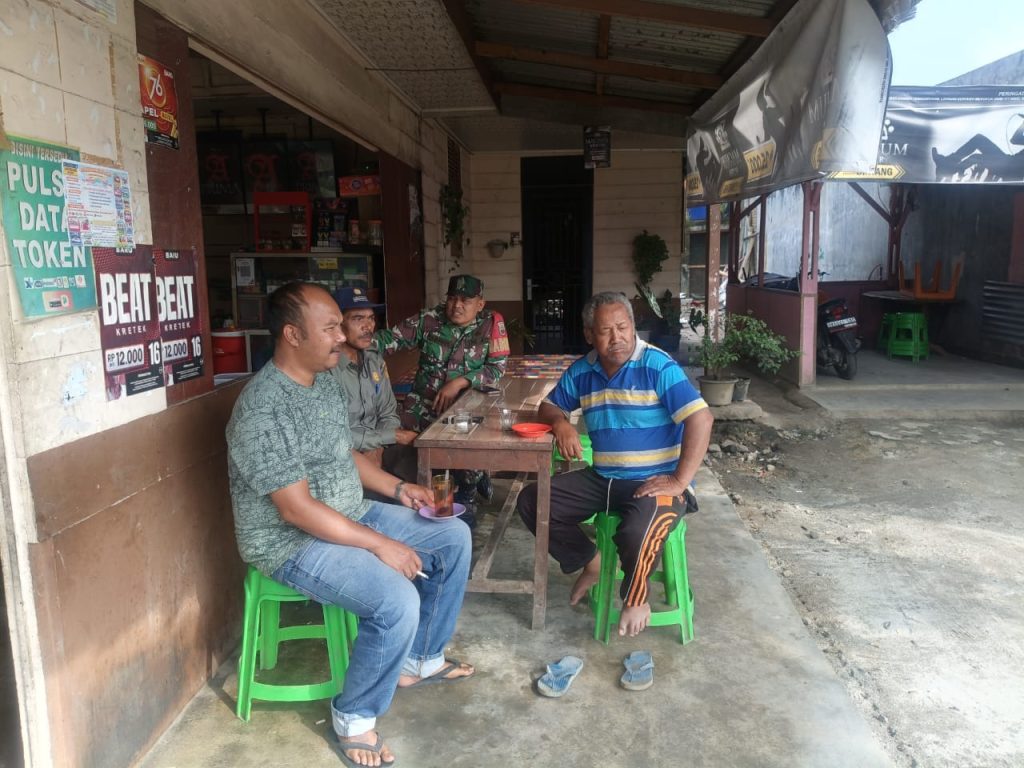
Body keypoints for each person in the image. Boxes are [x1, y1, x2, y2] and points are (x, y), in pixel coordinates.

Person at [226, 282, 474, 768]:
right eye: (330, 328)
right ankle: (355, 716)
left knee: (452, 535)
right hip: (289, 541)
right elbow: (296, 510)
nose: (342, 336)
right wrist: (380, 545)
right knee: (395, 597)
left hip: (349, 512)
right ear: (293, 335)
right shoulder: (262, 408)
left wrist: (399, 490)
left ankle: (419, 660)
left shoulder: (322, 383)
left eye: (340, 326)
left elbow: (344, 456)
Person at [516, 291, 713, 637]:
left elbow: (701, 417)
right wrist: (561, 423)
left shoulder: (657, 366)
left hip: (656, 481)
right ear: (589, 334)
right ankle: (590, 562)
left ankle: (636, 599)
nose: (616, 337)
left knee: (636, 531)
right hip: (603, 479)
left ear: (633, 327)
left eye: (623, 327)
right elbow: (548, 406)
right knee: (534, 500)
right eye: (606, 330)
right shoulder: (583, 370)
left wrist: (680, 481)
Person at [374, 274, 509, 527]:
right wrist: (354, 343)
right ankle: (411, 492)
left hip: (467, 405)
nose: (457, 305)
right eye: (452, 298)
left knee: (468, 446)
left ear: (480, 304)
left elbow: (497, 368)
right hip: (424, 401)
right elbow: (390, 339)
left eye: (465, 300)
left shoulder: (491, 323)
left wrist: (460, 382)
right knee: (394, 438)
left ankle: (469, 488)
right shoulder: (429, 319)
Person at [329, 287, 418, 489]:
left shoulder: (373, 358)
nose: (368, 326)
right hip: (342, 453)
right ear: (338, 324)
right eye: (358, 319)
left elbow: (388, 412)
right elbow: (332, 435)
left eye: (370, 318)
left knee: (425, 464)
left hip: (379, 447)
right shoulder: (327, 368)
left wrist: (377, 447)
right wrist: (390, 437)